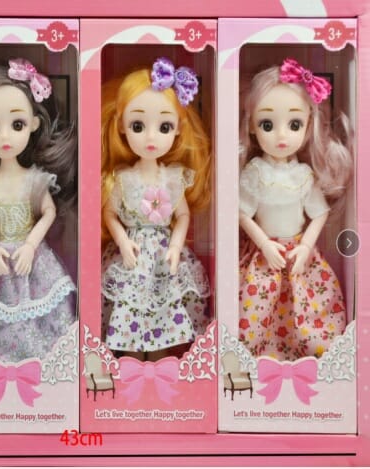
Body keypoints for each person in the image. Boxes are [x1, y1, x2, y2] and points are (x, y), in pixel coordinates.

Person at [238, 58, 353, 361]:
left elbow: (319, 213)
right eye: (267, 124)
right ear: (252, 126)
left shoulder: (304, 174)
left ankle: (306, 363)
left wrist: (305, 246)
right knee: (259, 307)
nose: (281, 136)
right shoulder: (255, 172)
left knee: (307, 306)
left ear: (308, 126)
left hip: (299, 253)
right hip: (265, 254)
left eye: (294, 124)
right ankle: (264, 360)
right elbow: (241, 213)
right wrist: (264, 244)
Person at [0, 58, 77, 362]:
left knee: (38, 313)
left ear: (34, 124)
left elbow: (49, 212)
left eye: (17, 125)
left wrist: (30, 244)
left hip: (32, 259)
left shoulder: (35, 179)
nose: (5, 137)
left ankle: (39, 366)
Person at [100, 57, 212, 361]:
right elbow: (109, 214)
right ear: (121, 126)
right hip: (133, 256)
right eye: (138, 126)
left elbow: (183, 215)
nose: (151, 137)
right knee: (130, 311)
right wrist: (123, 241)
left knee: (163, 313)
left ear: (178, 130)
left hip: (164, 256)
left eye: (164, 127)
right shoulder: (122, 178)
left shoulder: (173, 177)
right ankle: (131, 368)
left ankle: (160, 370)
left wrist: (175, 245)